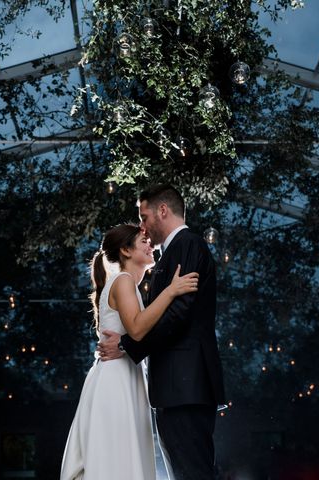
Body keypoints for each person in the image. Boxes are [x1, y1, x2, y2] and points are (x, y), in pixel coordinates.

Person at [98, 184, 226, 480]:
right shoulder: (174, 252)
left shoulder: (188, 245)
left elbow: (179, 314)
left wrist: (129, 346)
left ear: (163, 211)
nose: (142, 226)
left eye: (144, 217)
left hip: (186, 384)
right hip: (179, 386)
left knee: (193, 472)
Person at [60, 223, 199, 480]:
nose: (151, 245)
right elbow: (136, 329)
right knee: (117, 457)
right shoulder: (123, 281)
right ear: (125, 250)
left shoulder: (126, 284)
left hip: (125, 375)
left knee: (123, 456)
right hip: (116, 381)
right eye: (143, 241)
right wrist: (172, 290)